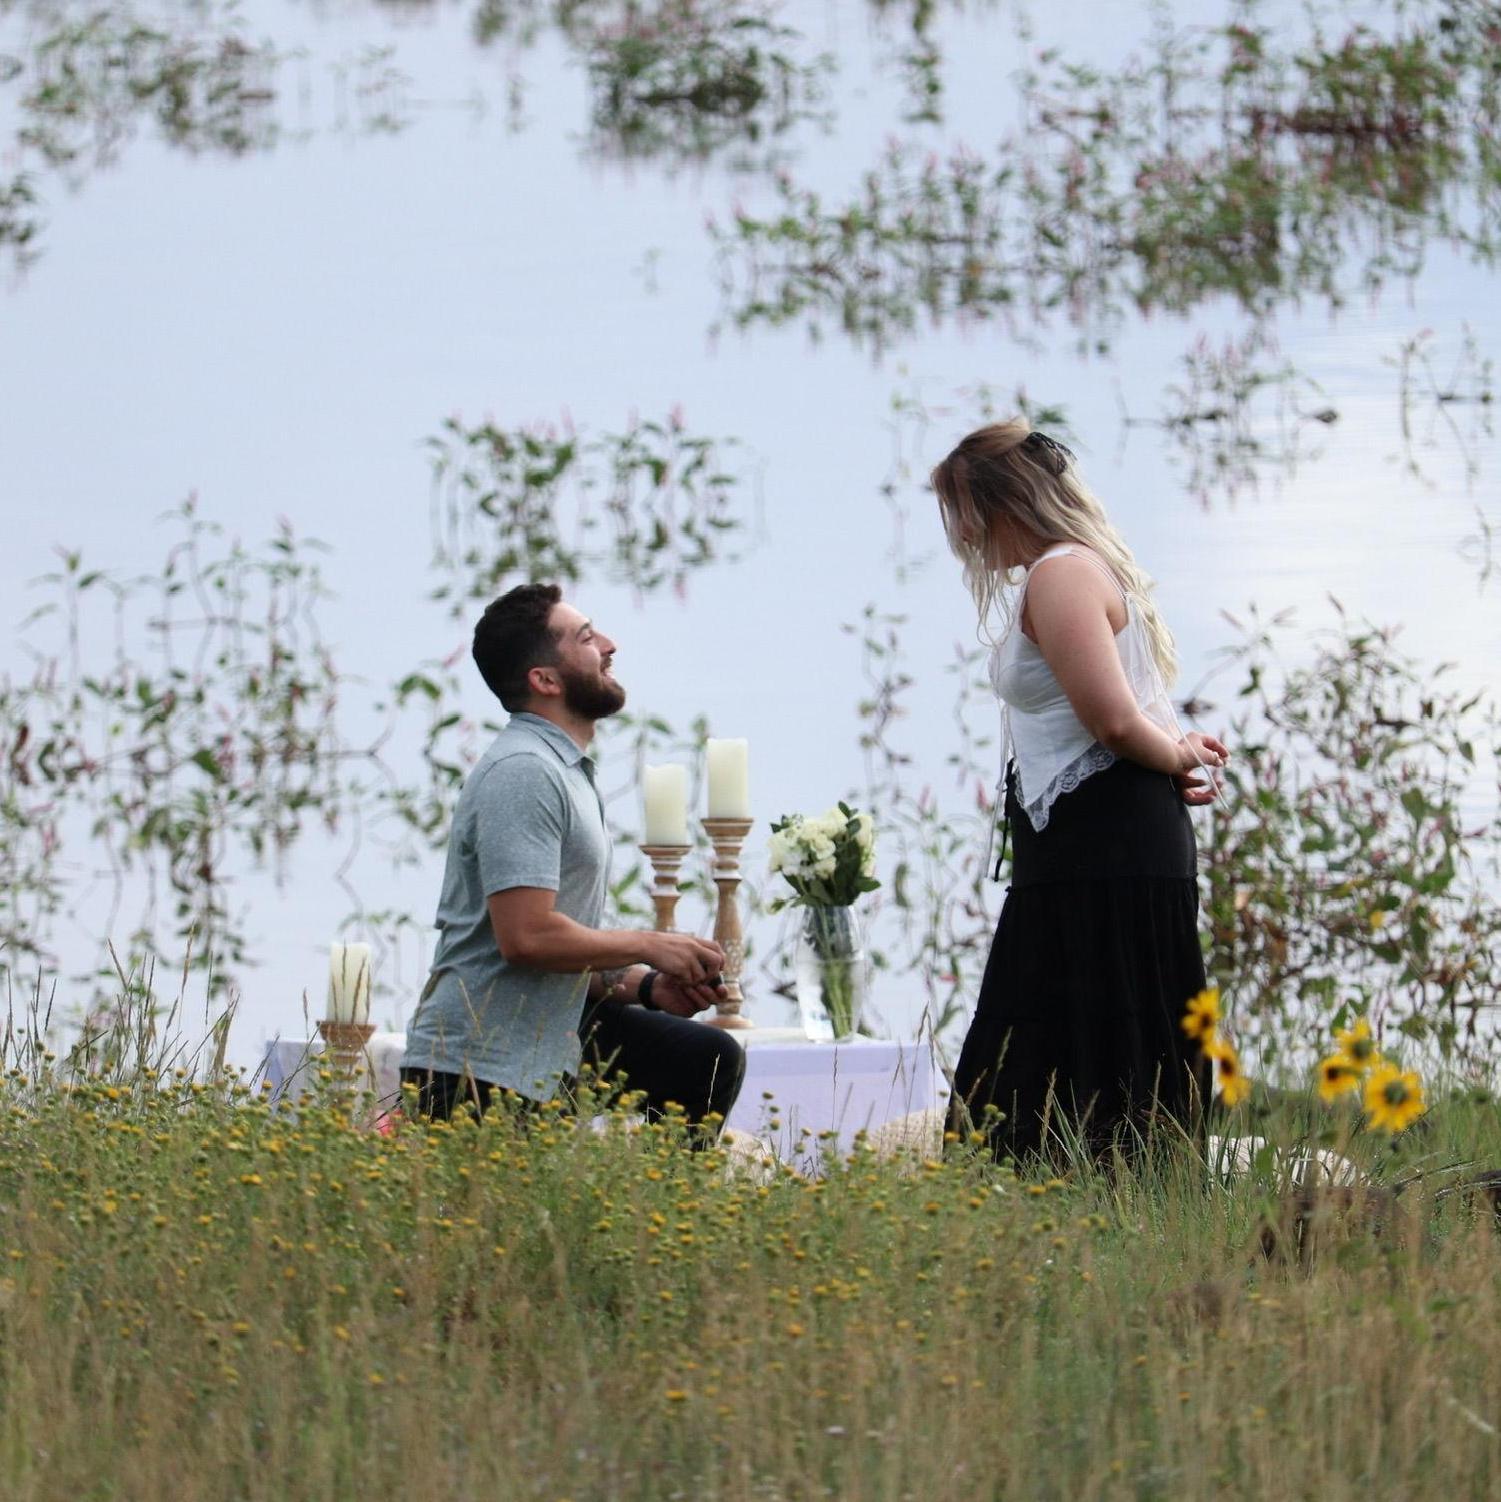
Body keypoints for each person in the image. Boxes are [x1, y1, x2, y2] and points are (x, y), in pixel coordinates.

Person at [930, 420, 1229, 1163]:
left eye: (958, 510)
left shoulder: (1060, 574)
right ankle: (1070, 1203)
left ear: (997, 502)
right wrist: (1176, 751)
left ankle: (1089, 1200)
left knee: (1065, 1044)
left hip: (1102, 842)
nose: (959, 535)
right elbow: (1129, 709)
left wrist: (1172, 753)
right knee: (1061, 1041)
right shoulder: (1071, 570)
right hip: (1081, 842)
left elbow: (1112, 719)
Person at [399, 582, 745, 1135]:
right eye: (587, 637)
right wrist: (651, 943)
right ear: (545, 679)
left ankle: (668, 1216)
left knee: (702, 1060)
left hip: (547, 1038)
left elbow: (557, 949)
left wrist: (647, 987)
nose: (609, 644)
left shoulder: (560, 769)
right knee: (492, 1224)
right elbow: (528, 940)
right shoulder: (524, 772)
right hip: (480, 1062)